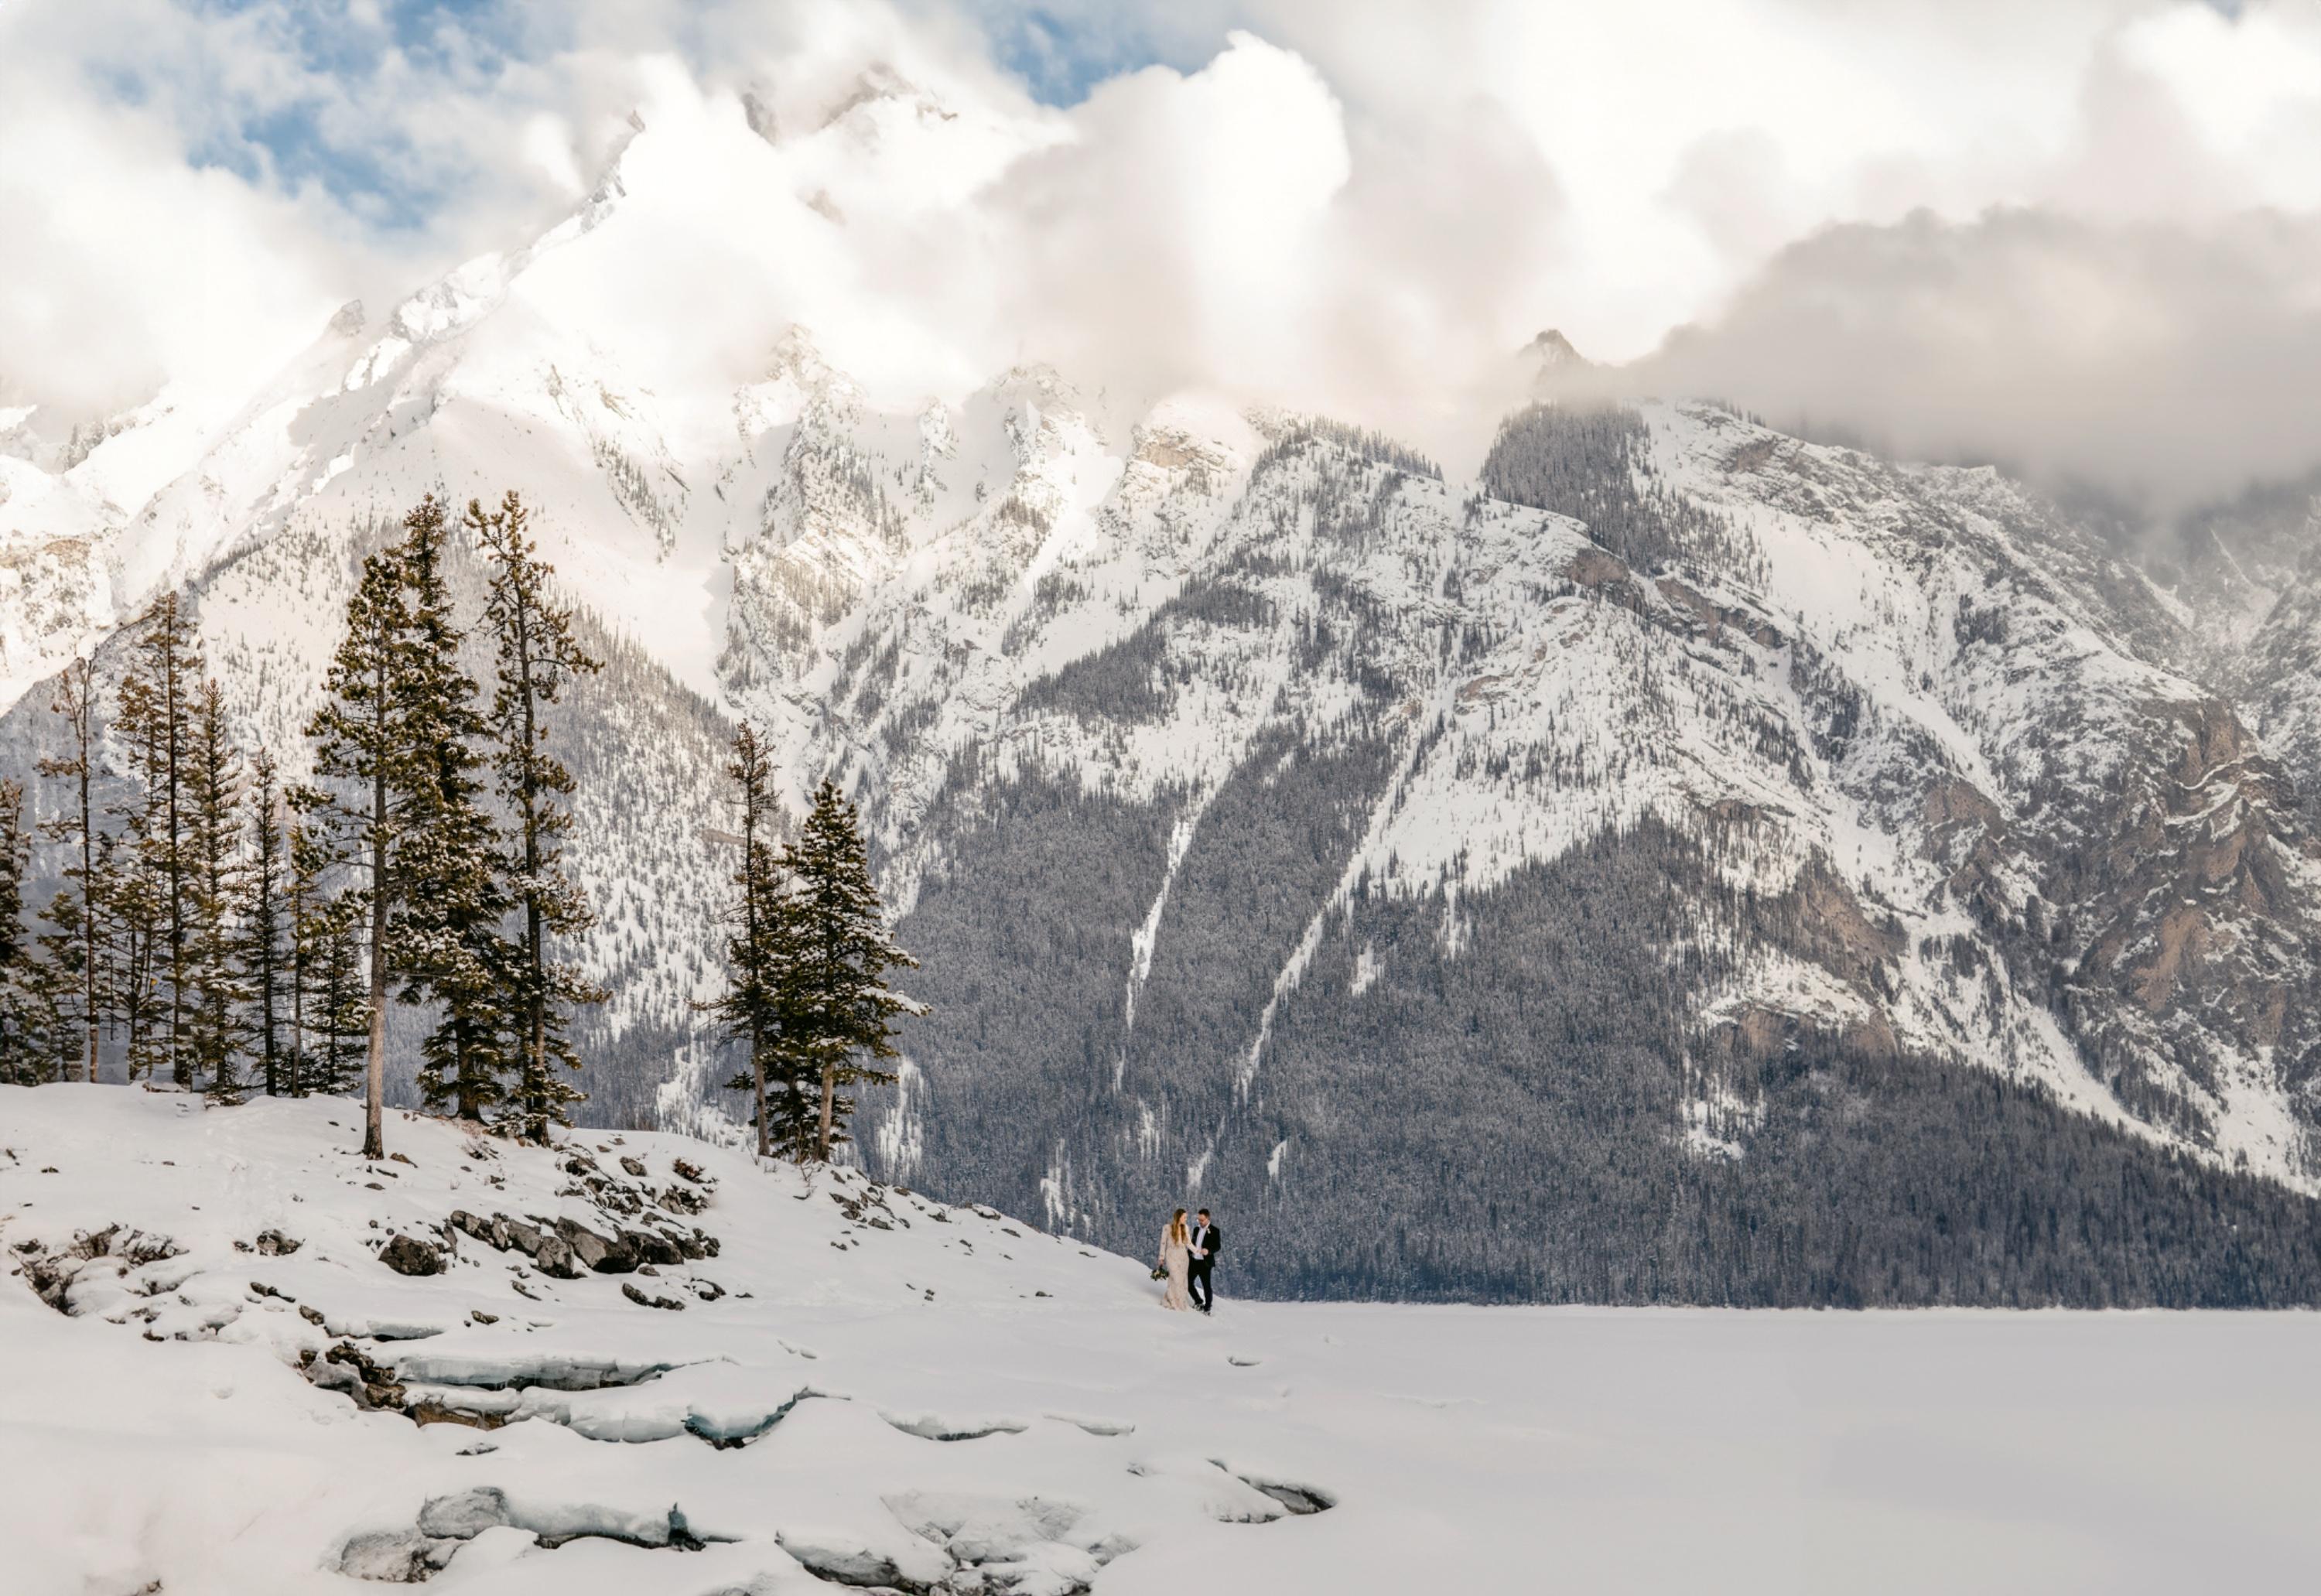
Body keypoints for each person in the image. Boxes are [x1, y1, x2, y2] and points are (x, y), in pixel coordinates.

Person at [1157, 1208, 1192, 1311]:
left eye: (1186, 1217)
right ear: (1179, 1217)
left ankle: (1180, 1301)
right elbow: (1163, 1243)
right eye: (1184, 1217)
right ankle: (1172, 1301)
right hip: (1171, 1256)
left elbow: (1188, 1243)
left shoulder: (1185, 1228)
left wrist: (1198, 1251)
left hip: (1183, 1257)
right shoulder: (1167, 1228)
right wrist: (1161, 1257)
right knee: (1175, 1278)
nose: (1186, 1219)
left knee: (1181, 1280)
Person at [1188, 1208, 1221, 1314]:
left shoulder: (1215, 1230)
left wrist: (1209, 1251)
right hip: (1194, 1261)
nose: (1200, 1222)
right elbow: (1192, 1243)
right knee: (1188, 1283)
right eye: (1199, 1220)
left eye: (1202, 1220)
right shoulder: (1196, 1229)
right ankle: (1198, 1301)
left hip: (1205, 1263)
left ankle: (1207, 1308)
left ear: (1207, 1218)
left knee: (1206, 1286)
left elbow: (1218, 1246)